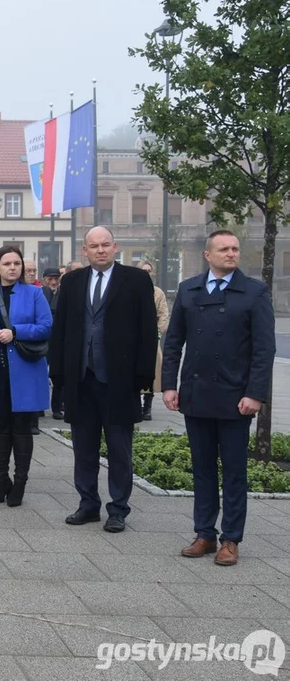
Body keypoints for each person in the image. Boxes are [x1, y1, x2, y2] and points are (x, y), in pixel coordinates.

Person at [163, 230, 275, 566]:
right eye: (224, 249)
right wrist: (169, 386)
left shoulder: (254, 292)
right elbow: (172, 343)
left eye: (235, 249)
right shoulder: (189, 290)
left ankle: (231, 539)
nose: (231, 254)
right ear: (208, 255)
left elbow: (263, 349)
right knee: (202, 469)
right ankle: (204, 534)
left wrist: (255, 394)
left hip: (235, 397)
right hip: (196, 395)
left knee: (235, 472)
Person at [50, 227, 157, 533]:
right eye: (94, 246)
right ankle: (88, 503)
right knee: (83, 447)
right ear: (85, 250)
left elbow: (148, 331)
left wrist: (143, 377)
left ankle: (119, 508)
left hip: (118, 380)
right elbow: (61, 330)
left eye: (106, 245)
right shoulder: (72, 281)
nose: (100, 250)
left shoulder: (136, 280)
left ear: (115, 247)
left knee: (119, 447)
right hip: (81, 378)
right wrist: (58, 372)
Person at [0, 246, 53, 508]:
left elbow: (46, 326)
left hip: (26, 371)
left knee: (22, 429)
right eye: (7, 263)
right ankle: (1, 479)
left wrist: (16, 331)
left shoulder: (35, 293)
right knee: (0, 428)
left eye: (17, 263)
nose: (13, 268)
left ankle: (20, 483)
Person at [137, 261, 170, 421]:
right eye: (143, 270)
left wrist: (156, 333)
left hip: (151, 338)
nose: (147, 273)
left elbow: (163, 315)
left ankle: (147, 407)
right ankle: (135, 404)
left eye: (149, 271)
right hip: (133, 339)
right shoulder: (131, 290)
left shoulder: (158, 293)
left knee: (152, 370)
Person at [41, 267, 64, 420]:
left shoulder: (64, 293)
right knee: (41, 373)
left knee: (58, 375)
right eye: (50, 278)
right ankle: (40, 406)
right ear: (44, 279)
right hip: (42, 339)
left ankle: (57, 407)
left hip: (59, 340)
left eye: (56, 278)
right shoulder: (40, 293)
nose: (53, 282)